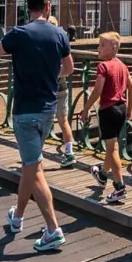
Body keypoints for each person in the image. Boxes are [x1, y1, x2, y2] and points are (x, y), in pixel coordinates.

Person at [0, 0, 73, 252]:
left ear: (28, 8)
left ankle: (53, 229)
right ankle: (17, 217)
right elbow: (70, 68)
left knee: (33, 168)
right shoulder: (60, 34)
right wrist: (51, 77)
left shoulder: (19, 34)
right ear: (49, 7)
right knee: (33, 166)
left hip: (25, 110)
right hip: (48, 111)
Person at [82, 32, 132, 205]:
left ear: (113, 47)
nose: (98, 48)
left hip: (108, 110)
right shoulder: (122, 65)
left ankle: (119, 186)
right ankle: (103, 174)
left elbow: (98, 90)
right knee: (113, 144)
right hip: (121, 108)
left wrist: (86, 109)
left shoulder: (103, 67)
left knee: (112, 149)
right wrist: (129, 110)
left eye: (102, 45)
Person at [44, 9, 78, 168]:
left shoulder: (44, 44)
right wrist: (59, 74)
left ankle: (35, 153)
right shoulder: (61, 42)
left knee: (42, 120)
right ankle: (70, 152)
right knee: (63, 121)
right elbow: (69, 67)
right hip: (62, 87)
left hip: (48, 88)